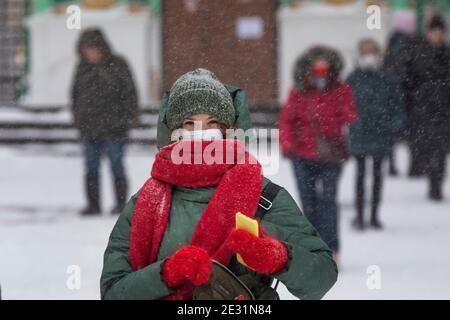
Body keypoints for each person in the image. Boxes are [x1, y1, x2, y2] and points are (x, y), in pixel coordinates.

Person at [100, 68, 338, 300]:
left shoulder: (264, 197)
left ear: (228, 130)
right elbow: (112, 291)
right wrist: (165, 274)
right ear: (173, 131)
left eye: (212, 122)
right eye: (189, 123)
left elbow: (322, 277)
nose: (200, 132)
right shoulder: (147, 201)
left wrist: (280, 258)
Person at [279, 47, 358, 261]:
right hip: (302, 156)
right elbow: (287, 120)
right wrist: (287, 145)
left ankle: (332, 248)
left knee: (328, 202)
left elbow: (350, 115)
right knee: (309, 203)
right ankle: (313, 248)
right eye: (317, 65)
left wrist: (336, 118)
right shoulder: (299, 91)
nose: (321, 70)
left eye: (325, 65)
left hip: (331, 156)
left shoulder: (340, 89)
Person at [71, 28, 138, 215]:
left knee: (117, 165)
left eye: (92, 49)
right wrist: (78, 118)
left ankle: (120, 204)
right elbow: (75, 94)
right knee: (90, 166)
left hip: (114, 127)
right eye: (86, 50)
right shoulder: (82, 67)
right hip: (89, 128)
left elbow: (130, 93)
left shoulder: (118, 64)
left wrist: (128, 118)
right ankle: (93, 205)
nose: (89, 53)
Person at [347, 39, 405, 230]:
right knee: (361, 175)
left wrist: (395, 124)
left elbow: (397, 105)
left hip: (381, 134)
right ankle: (360, 215)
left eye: (372, 52)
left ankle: (374, 215)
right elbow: (344, 103)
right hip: (360, 133)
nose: (369, 56)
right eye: (365, 52)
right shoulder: (353, 78)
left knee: (378, 176)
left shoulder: (388, 79)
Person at [398, 15, 450, 201]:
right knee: (426, 147)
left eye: (439, 32)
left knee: (441, 149)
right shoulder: (418, 54)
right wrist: (413, 100)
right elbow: (406, 81)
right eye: (434, 32)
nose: (437, 35)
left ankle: (436, 184)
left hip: (444, 110)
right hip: (423, 110)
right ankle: (429, 176)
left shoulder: (446, 54)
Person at [383, 10, 416, 176]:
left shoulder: (393, 40)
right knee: (409, 131)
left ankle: (393, 164)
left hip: (397, 92)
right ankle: (411, 166)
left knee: (393, 133)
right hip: (407, 93)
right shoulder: (411, 42)